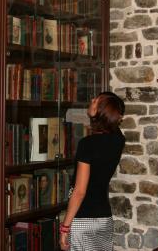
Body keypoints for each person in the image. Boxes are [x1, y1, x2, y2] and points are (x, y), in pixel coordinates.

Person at [59, 92, 125, 251]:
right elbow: (113, 127)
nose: (92, 100)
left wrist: (65, 227)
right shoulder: (118, 140)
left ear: (101, 111)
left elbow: (80, 191)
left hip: (83, 220)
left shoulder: (87, 144)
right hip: (104, 218)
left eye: (96, 101)